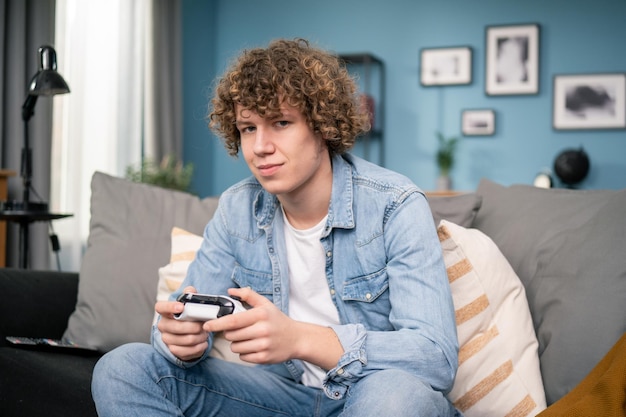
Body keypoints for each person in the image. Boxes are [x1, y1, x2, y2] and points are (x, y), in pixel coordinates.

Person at [92, 38, 461, 417]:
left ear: (322, 125)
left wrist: (299, 338)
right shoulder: (238, 209)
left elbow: (435, 357)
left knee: (396, 396)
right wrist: (178, 341)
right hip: (284, 399)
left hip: (372, 396)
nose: (260, 147)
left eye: (281, 123)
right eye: (248, 128)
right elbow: (188, 313)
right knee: (124, 368)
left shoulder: (395, 204)